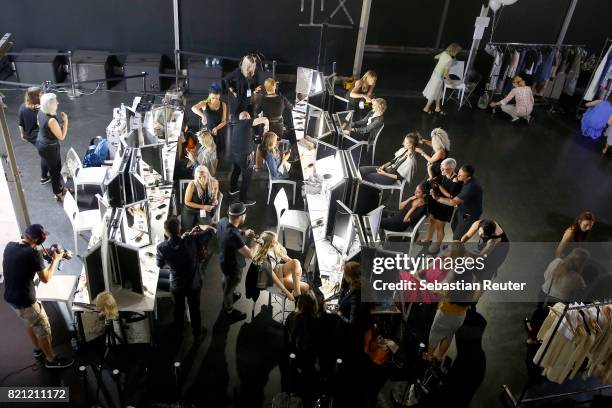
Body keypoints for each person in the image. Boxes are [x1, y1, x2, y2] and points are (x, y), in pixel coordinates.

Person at [2, 224, 73, 368]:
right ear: (38, 240)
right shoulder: (34, 255)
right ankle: (51, 359)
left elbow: (25, 254)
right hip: (26, 302)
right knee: (43, 328)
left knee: (30, 323)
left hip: (10, 299)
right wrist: (55, 260)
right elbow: (45, 279)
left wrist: (44, 253)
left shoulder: (10, 246)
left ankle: (38, 350)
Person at [156, 217, 215, 341]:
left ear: (166, 232)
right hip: (193, 284)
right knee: (194, 310)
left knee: (178, 310)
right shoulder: (192, 239)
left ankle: (179, 334)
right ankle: (197, 334)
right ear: (179, 229)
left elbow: (159, 264)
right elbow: (211, 231)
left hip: (177, 285)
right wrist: (200, 229)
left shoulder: (162, 247)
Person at [427, 243, 478, 362]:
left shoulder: (453, 272)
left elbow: (441, 291)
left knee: (435, 333)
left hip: (447, 311)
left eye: (448, 251)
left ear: (453, 255)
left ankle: (429, 357)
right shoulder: (466, 266)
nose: (445, 252)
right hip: (461, 314)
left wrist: (421, 281)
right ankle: (439, 357)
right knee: (448, 335)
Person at [216, 202, 257, 321]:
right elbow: (250, 254)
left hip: (224, 260)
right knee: (229, 287)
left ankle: (230, 293)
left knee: (226, 280)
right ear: (240, 217)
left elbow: (232, 230)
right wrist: (254, 242)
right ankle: (229, 310)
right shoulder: (234, 236)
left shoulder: (223, 221)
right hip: (233, 266)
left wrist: (244, 232)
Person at [420, 158, 462, 253]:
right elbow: (432, 171)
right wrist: (432, 181)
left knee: (439, 226)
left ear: (452, 169)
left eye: (444, 169)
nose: (442, 170)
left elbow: (451, 196)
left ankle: (437, 246)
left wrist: (438, 186)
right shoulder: (443, 173)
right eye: (441, 168)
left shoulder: (455, 180)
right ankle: (428, 238)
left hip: (445, 205)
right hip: (437, 201)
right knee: (432, 221)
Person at [252, 231, 309, 301]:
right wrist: (287, 292)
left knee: (296, 261)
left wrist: (297, 268)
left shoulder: (276, 246)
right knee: (305, 287)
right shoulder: (264, 260)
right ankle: (298, 302)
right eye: (274, 242)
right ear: (268, 244)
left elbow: (288, 259)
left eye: (276, 241)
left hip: (278, 268)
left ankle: (296, 293)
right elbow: (274, 278)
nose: (277, 243)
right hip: (272, 280)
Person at [432, 164, 483, 240]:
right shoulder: (465, 176)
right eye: (459, 173)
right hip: (462, 209)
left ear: (468, 178)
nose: (457, 175)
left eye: (460, 176)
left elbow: (453, 202)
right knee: (454, 226)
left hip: (469, 215)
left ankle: (456, 249)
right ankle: (458, 248)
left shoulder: (470, 188)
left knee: (457, 237)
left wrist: (437, 197)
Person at [229, 111, 269, 205]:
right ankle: (243, 200)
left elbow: (250, 138)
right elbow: (265, 119)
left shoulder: (236, 124)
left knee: (236, 171)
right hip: (245, 157)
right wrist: (266, 128)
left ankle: (233, 189)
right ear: (247, 117)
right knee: (246, 178)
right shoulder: (247, 122)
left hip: (235, 154)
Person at [36, 93, 70, 201]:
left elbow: (39, 124)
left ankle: (59, 187)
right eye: (56, 102)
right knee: (55, 170)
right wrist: (66, 121)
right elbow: (62, 136)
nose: (58, 103)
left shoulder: (41, 111)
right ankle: (58, 193)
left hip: (42, 143)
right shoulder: (51, 120)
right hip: (49, 148)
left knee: (52, 166)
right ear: (50, 105)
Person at [18, 87, 49, 184]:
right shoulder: (41, 109)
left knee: (45, 155)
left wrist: (22, 134)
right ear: (35, 97)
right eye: (41, 93)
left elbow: (20, 123)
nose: (43, 94)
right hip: (40, 137)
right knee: (46, 156)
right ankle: (43, 178)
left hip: (30, 136)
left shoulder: (22, 107)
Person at [423, 43, 462, 115]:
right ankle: (426, 108)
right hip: (438, 78)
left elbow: (435, 57)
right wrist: (451, 83)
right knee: (433, 93)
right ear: (454, 51)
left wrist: (442, 62)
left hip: (434, 74)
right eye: (457, 52)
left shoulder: (444, 53)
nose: (457, 53)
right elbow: (446, 74)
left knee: (438, 92)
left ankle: (437, 108)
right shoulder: (450, 60)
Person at [181, 165, 220, 232]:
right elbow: (187, 202)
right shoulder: (192, 185)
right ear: (196, 177)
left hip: (204, 210)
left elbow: (214, 198)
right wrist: (203, 206)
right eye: (199, 177)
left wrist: (215, 200)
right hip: (190, 209)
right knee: (187, 230)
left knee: (207, 230)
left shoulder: (214, 182)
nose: (202, 180)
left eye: (204, 176)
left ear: (208, 175)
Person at [191, 83, 228, 149]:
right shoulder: (204, 103)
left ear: (219, 96)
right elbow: (193, 108)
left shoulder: (223, 104)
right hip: (206, 134)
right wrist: (203, 115)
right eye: (213, 97)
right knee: (203, 154)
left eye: (217, 98)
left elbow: (224, 121)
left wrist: (217, 128)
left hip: (217, 132)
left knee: (217, 154)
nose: (215, 100)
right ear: (210, 95)